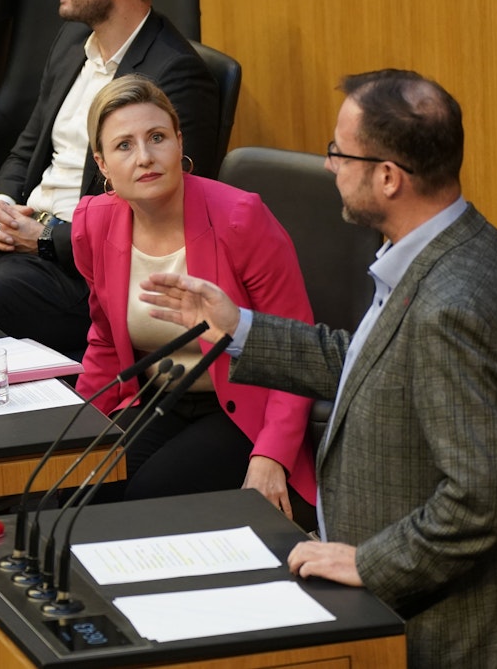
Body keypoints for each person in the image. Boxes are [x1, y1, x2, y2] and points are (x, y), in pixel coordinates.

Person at [140, 69, 497, 668]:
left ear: (388, 177)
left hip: (464, 632)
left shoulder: (453, 305)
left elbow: (482, 495)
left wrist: (365, 562)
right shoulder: (457, 248)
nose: (330, 167)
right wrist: (239, 326)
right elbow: (370, 367)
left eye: (339, 153)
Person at [71, 75, 317, 523]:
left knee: (143, 505)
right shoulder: (94, 223)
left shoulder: (241, 219)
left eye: (157, 137)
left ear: (179, 141)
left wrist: (272, 456)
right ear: (102, 164)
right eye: (124, 146)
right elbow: (105, 340)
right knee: (76, 495)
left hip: (242, 409)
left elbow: (295, 347)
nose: (145, 157)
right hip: (159, 397)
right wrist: (79, 431)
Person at [0, 0, 219, 358]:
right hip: (22, 241)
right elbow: (27, 149)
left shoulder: (176, 78)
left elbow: (157, 218)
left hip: (84, 273)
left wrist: (45, 237)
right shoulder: (72, 41)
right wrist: (1, 208)